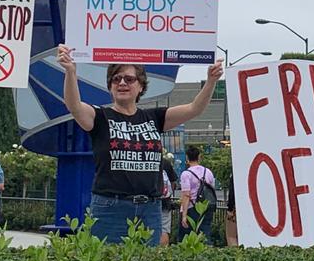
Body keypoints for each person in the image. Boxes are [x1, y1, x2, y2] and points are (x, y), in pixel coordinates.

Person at [57, 44, 224, 246]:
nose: (122, 83)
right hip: (110, 208)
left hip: (150, 210)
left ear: (141, 86)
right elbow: (74, 105)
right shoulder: (100, 117)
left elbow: (194, 108)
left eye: (129, 79)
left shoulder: (155, 118)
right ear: (110, 86)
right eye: (116, 79)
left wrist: (211, 81)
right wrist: (70, 72)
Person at [179, 145, 218, 243]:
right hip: (206, 206)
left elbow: (186, 195)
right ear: (199, 157)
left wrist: (184, 215)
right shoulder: (208, 172)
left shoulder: (186, 174)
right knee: (205, 233)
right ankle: (208, 249)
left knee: (187, 237)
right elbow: (212, 189)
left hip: (191, 208)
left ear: (187, 158)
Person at [159, 154, 179, 247]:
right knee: (164, 230)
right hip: (165, 202)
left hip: (148, 201)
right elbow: (173, 182)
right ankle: (163, 252)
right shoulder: (165, 162)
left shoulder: (143, 159)